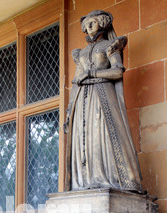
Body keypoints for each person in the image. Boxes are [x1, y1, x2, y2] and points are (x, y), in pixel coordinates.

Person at [64, 10, 144, 193]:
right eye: (86, 25)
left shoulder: (110, 45)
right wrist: (69, 111)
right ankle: (86, 181)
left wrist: (92, 74)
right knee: (84, 138)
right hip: (82, 99)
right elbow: (76, 82)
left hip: (102, 96)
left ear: (102, 23)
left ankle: (109, 179)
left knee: (103, 136)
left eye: (92, 22)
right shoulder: (81, 53)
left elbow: (117, 71)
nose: (88, 27)